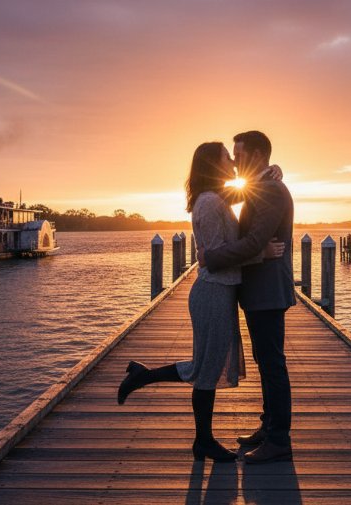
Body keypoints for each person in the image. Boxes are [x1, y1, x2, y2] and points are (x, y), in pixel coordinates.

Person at [117, 142, 285, 462]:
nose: (233, 163)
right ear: (213, 164)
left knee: (203, 367)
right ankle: (202, 441)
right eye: (226, 157)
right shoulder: (209, 203)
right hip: (212, 293)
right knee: (206, 370)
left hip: (221, 292)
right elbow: (216, 258)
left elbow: (249, 194)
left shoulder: (217, 197)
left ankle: (143, 377)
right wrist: (259, 254)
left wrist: (271, 174)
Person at [199, 130, 295, 465]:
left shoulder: (269, 190)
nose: (236, 163)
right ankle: (268, 427)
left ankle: (279, 439)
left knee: (272, 365)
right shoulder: (261, 185)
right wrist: (268, 171)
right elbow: (226, 198)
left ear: (255, 154)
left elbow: (255, 242)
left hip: (268, 292)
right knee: (266, 363)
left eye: (239, 157)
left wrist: (211, 257)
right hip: (259, 292)